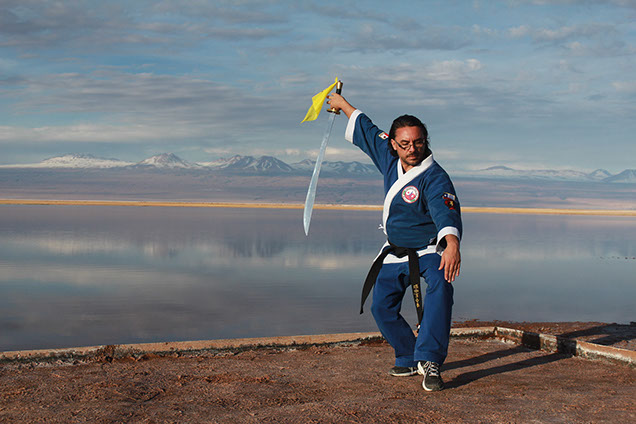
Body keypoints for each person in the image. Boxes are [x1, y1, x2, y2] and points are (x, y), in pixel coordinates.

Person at [326, 93, 462, 392]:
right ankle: (409, 355)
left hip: (428, 248)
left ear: (425, 141)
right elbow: (368, 130)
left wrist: (451, 243)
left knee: (441, 287)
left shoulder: (435, 177)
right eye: (405, 144)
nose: (412, 149)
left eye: (418, 142)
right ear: (394, 144)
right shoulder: (389, 158)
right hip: (394, 250)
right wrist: (342, 104)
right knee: (381, 308)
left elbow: (445, 211)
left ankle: (430, 360)